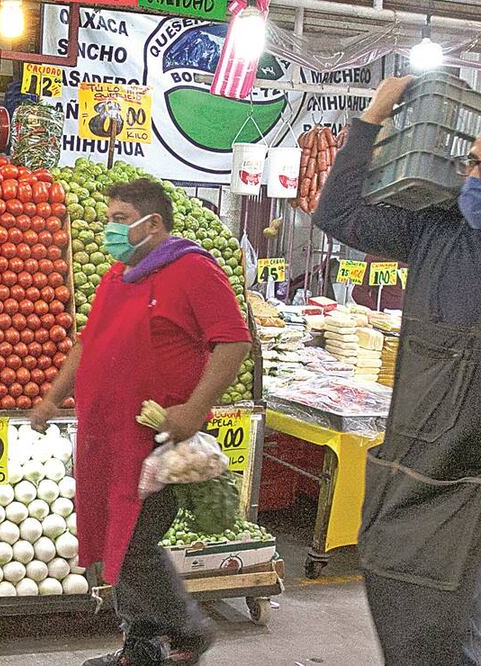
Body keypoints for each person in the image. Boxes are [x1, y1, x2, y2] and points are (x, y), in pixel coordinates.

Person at [30, 179, 252, 665]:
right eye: (108, 217)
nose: (108, 227)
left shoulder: (193, 270)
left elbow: (233, 341)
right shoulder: (118, 275)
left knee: (132, 542)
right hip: (106, 438)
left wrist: (194, 408)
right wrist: (52, 400)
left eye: (118, 218)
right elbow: (88, 343)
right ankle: (141, 648)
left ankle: (188, 630)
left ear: (152, 224)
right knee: (119, 539)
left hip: (156, 442)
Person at [312, 75, 481, 665]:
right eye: (472, 163)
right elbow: (337, 212)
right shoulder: (436, 231)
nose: (473, 177)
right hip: (420, 472)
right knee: (406, 608)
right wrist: (369, 122)